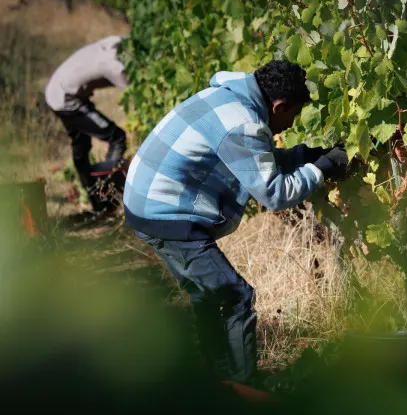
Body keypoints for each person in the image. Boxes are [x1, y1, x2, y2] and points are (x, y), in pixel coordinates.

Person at [123, 60, 350, 386]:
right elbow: (274, 192)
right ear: (279, 105)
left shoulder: (227, 98)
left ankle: (218, 381)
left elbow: (255, 163)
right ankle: (245, 390)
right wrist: (323, 169)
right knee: (236, 296)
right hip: (164, 215)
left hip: (144, 202)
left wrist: (308, 155)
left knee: (207, 294)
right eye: (292, 115)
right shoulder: (241, 125)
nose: (288, 126)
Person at [45, 35, 129, 213]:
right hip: (66, 99)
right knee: (117, 137)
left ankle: (97, 201)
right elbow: (133, 92)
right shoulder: (113, 66)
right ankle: (109, 197)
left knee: (81, 147)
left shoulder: (113, 44)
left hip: (58, 90)